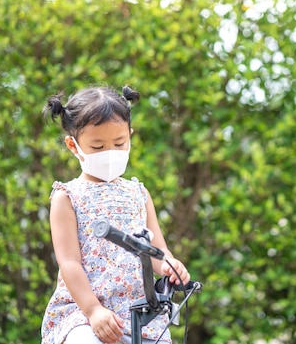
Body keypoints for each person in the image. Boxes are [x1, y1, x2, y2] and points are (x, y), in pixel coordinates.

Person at [41, 85, 190, 344]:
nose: (110, 153)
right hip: (83, 312)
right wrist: (94, 310)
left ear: (130, 136)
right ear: (73, 145)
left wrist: (170, 265)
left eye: (119, 143)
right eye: (97, 146)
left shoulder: (138, 193)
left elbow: (156, 250)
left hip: (139, 312)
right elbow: (69, 264)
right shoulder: (67, 196)